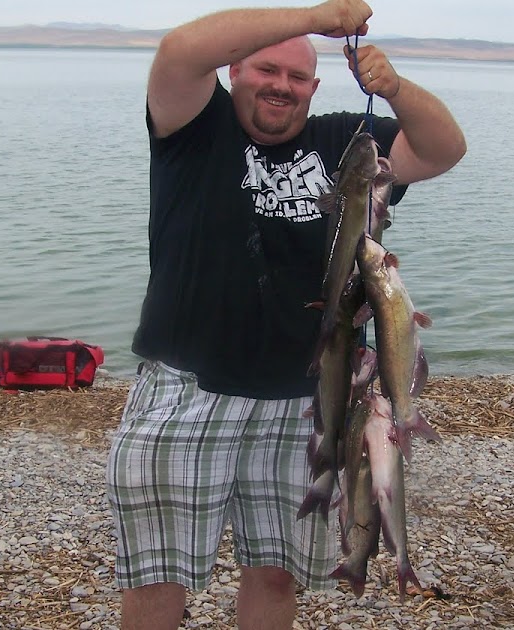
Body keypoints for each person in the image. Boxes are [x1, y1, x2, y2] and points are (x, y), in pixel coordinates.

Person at [105, 1, 466, 628]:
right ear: (235, 72)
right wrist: (313, 17)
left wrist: (396, 88)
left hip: (308, 401)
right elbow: (179, 52)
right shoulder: (195, 125)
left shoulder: (348, 146)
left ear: (315, 88)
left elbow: (442, 148)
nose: (282, 86)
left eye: (298, 78)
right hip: (184, 390)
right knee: (156, 575)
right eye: (267, 70)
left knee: (277, 577)